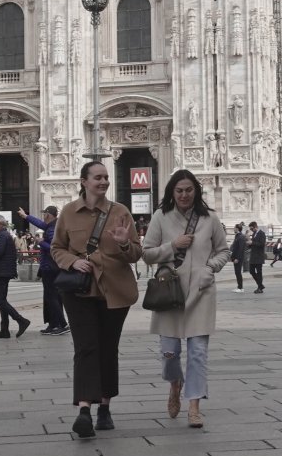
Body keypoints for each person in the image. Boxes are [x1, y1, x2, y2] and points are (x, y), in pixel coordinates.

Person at [51, 160, 141, 439]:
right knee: (85, 347)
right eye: (97, 178)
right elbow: (56, 248)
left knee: (107, 347)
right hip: (80, 290)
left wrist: (125, 241)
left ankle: (105, 406)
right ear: (83, 181)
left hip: (114, 289)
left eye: (106, 178)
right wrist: (72, 262)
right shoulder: (68, 212)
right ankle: (84, 410)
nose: (103, 182)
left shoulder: (120, 212)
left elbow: (136, 254)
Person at [141, 169, 230, 429]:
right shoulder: (161, 217)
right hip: (169, 293)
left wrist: (210, 268)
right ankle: (174, 384)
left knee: (198, 353)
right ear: (172, 192)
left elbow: (224, 251)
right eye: (178, 191)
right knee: (169, 354)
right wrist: (173, 246)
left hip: (201, 293)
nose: (183, 195)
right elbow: (146, 254)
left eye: (188, 190)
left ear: (196, 192)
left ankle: (194, 405)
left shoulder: (209, 218)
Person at [19, 206, 69, 334]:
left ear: (48, 214)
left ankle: (62, 324)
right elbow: (40, 224)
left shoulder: (53, 228)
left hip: (51, 267)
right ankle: (53, 324)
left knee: (52, 296)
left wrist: (41, 242)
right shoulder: (52, 225)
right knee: (51, 297)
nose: (43, 216)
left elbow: (54, 247)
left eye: (44, 214)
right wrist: (26, 216)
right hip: (50, 267)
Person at [0, 215, 31, 339]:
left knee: (0, 300)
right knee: (2, 300)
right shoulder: (5, 235)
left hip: (2, 271)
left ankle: (21, 320)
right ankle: (4, 329)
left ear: (0, 224)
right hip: (4, 270)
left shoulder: (1, 235)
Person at [246, 221, 266, 293]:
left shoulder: (262, 233)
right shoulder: (254, 234)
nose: (251, 230)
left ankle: (259, 288)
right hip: (253, 256)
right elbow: (253, 244)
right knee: (251, 271)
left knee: (259, 272)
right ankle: (260, 285)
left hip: (259, 256)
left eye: (252, 229)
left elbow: (262, 244)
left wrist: (252, 243)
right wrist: (249, 243)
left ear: (255, 227)